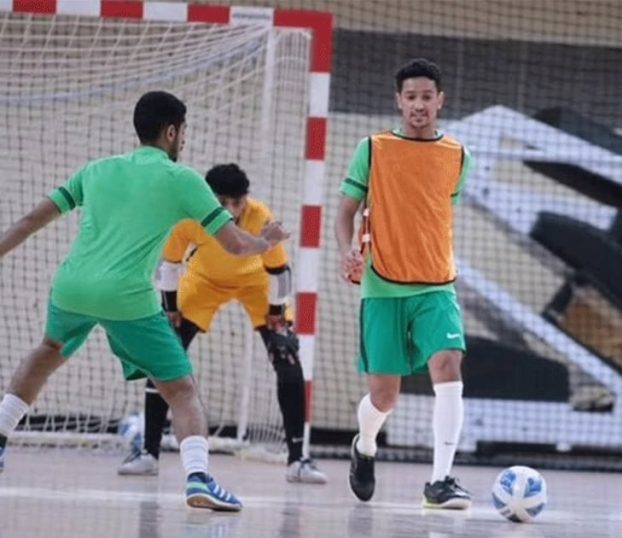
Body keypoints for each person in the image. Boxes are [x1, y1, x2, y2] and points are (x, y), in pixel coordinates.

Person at [0, 91, 289, 511]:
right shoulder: (183, 179)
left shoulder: (96, 169)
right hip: (126, 297)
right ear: (171, 132)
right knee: (182, 389)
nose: (184, 140)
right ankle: (199, 479)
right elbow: (235, 245)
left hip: (72, 287)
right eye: (183, 132)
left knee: (48, 350)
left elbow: (29, 221)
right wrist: (266, 241)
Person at [116, 163, 327, 485]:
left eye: (237, 202)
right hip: (204, 282)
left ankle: (298, 459)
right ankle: (148, 453)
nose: (229, 210)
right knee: (162, 355)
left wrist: (276, 311)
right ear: (208, 197)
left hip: (255, 283)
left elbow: (280, 272)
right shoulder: (189, 216)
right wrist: (170, 308)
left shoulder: (260, 217)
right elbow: (168, 265)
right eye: (221, 202)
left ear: (246, 199)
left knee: (286, 354)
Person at [335, 58, 473, 509]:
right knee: (385, 396)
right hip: (382, 286)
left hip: (436, 284)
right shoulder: (373, 149)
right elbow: (345, 212)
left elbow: (437, 211)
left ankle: (441, 481)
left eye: (426, 97)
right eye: (411, 97)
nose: (419, 105)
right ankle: (365, 445)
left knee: (448, 365)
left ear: (440, 100)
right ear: (398, 101)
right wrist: (346, 250)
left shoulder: (458, 155)